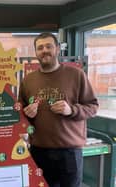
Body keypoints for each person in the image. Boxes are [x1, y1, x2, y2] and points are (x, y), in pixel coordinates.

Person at [19, 32, 99, 187]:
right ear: (36, 52)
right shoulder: (28, 80)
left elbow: (93, 107)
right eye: (40, 48)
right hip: (38, 151)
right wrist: (26, 114)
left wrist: (71, 110)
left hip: (69, 153)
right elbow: (19, 112)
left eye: (49, 46)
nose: (44, 51)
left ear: (57, 49)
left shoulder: (76, 75)